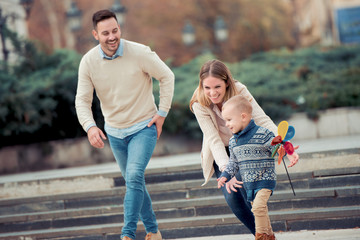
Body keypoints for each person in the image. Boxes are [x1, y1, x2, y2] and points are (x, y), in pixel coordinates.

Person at [75, 10, 174, 240]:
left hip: (144, 127)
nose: (112, 37)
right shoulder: (88, 61)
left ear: (119, 28)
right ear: (95, 35)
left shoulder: (139, 52)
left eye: (115, 30)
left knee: (133, 177)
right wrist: (90, 126)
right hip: (115, 133)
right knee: (135, 181)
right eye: (105, 33)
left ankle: (127, 234)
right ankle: (153, 232)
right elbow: (82, 100)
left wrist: (162, 113)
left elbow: (167, 76)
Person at [189, 59, 298, 236]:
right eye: (207, 87)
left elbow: (262, 119)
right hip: (222, 152)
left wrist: (285, 145)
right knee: (232, 198)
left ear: (226, 82)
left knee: (249, 192)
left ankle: (264, 234)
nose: (212, 93)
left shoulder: (239, 90)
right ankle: (260, 235)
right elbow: (213, 139)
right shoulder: (198, 102)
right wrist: (226, 170)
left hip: (245, 146)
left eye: (217, 86)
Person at [218, 95, 283, 240]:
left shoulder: (264, 133)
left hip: (265, 180)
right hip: (249, 184)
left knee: (258, 208)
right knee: (261, 211)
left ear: (243, 117)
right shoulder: (233, 141)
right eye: (225, 120)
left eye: (229, 120)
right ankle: (269, 236)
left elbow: (274, 149)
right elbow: (233, 163)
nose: (226, 124)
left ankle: (260, 236)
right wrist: (225, 176)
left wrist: (280, 148)